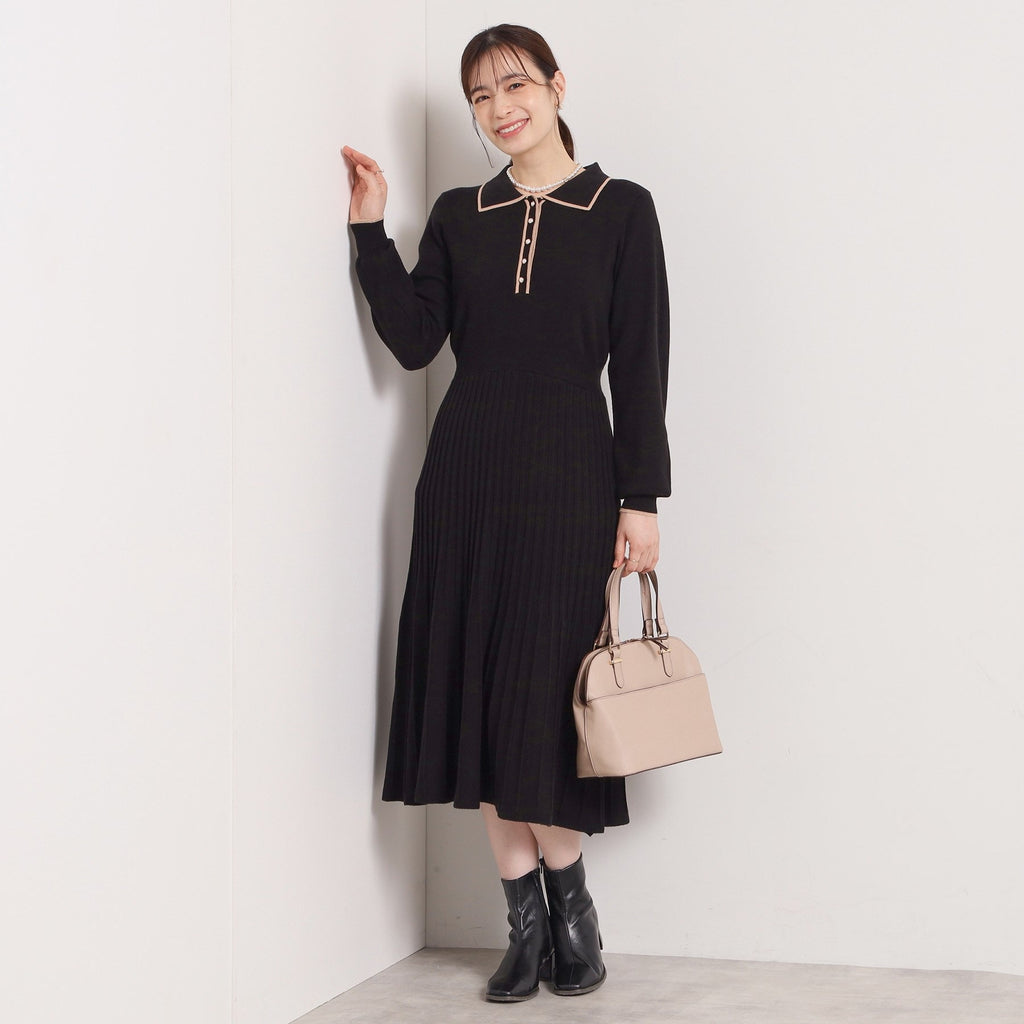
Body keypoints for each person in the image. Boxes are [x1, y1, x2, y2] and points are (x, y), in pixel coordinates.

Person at [342, 23, 670, 1004]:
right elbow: (415, 341)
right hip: (466, 479)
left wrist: (641, 498)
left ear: (557, 86)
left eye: (515, 85)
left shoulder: (622, 209)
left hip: (571, 478)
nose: (500, 109)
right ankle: (526, 929)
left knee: (541, 704)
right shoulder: (459, 214)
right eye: (481, 95)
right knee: (484, 700)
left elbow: (641, 365)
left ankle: (574, 911)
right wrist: (371, 232)